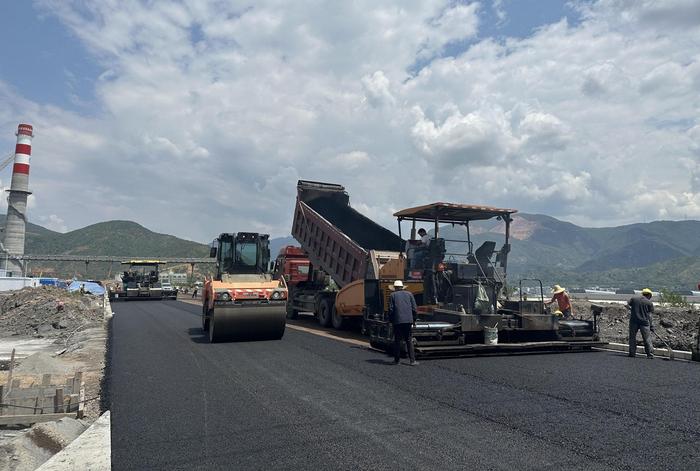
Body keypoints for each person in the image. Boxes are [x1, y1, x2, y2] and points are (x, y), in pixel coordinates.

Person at [388, 280, 418, 365]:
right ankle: (412, 361)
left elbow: (391, 310)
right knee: (409, 340)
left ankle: (396, 360)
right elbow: (414, 308)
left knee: (397, 341)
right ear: (402, 287)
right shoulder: (409, 294)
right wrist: (414, 320)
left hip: (397, 321)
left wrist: (391, 321)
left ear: (395, 288)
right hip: (408, 321)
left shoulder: (392, 295)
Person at [628, 288, 655, 359]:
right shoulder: (649, 303)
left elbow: (627, 305)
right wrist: (651, 326)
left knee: (632, 337)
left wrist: (632, 310)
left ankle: (632, 353)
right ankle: (650, 354)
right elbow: (650, 315)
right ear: (649, 295)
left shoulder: (634, 299)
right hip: (644, 323)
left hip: (634, 321)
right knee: (647, 338)